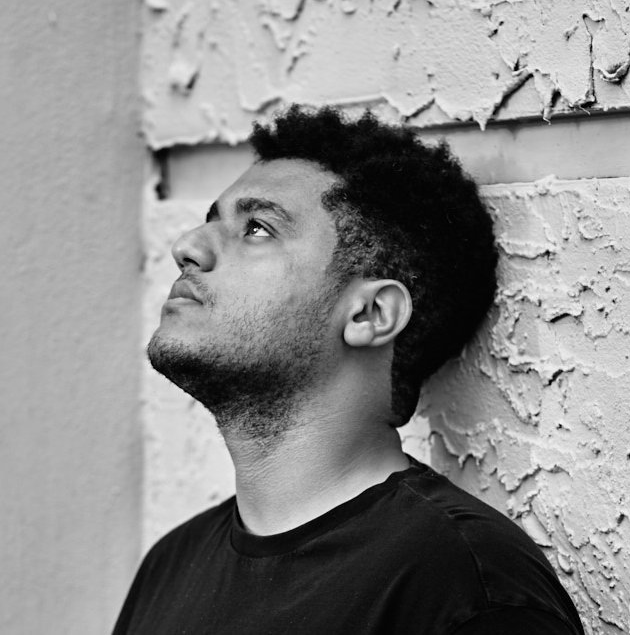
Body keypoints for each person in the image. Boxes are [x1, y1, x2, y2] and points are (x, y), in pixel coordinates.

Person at [113, 106, 583, 634]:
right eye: (211, 222)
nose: (187, 247)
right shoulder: (171, 566)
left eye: (258, 228)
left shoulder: (461, 588)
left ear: (370, 314)